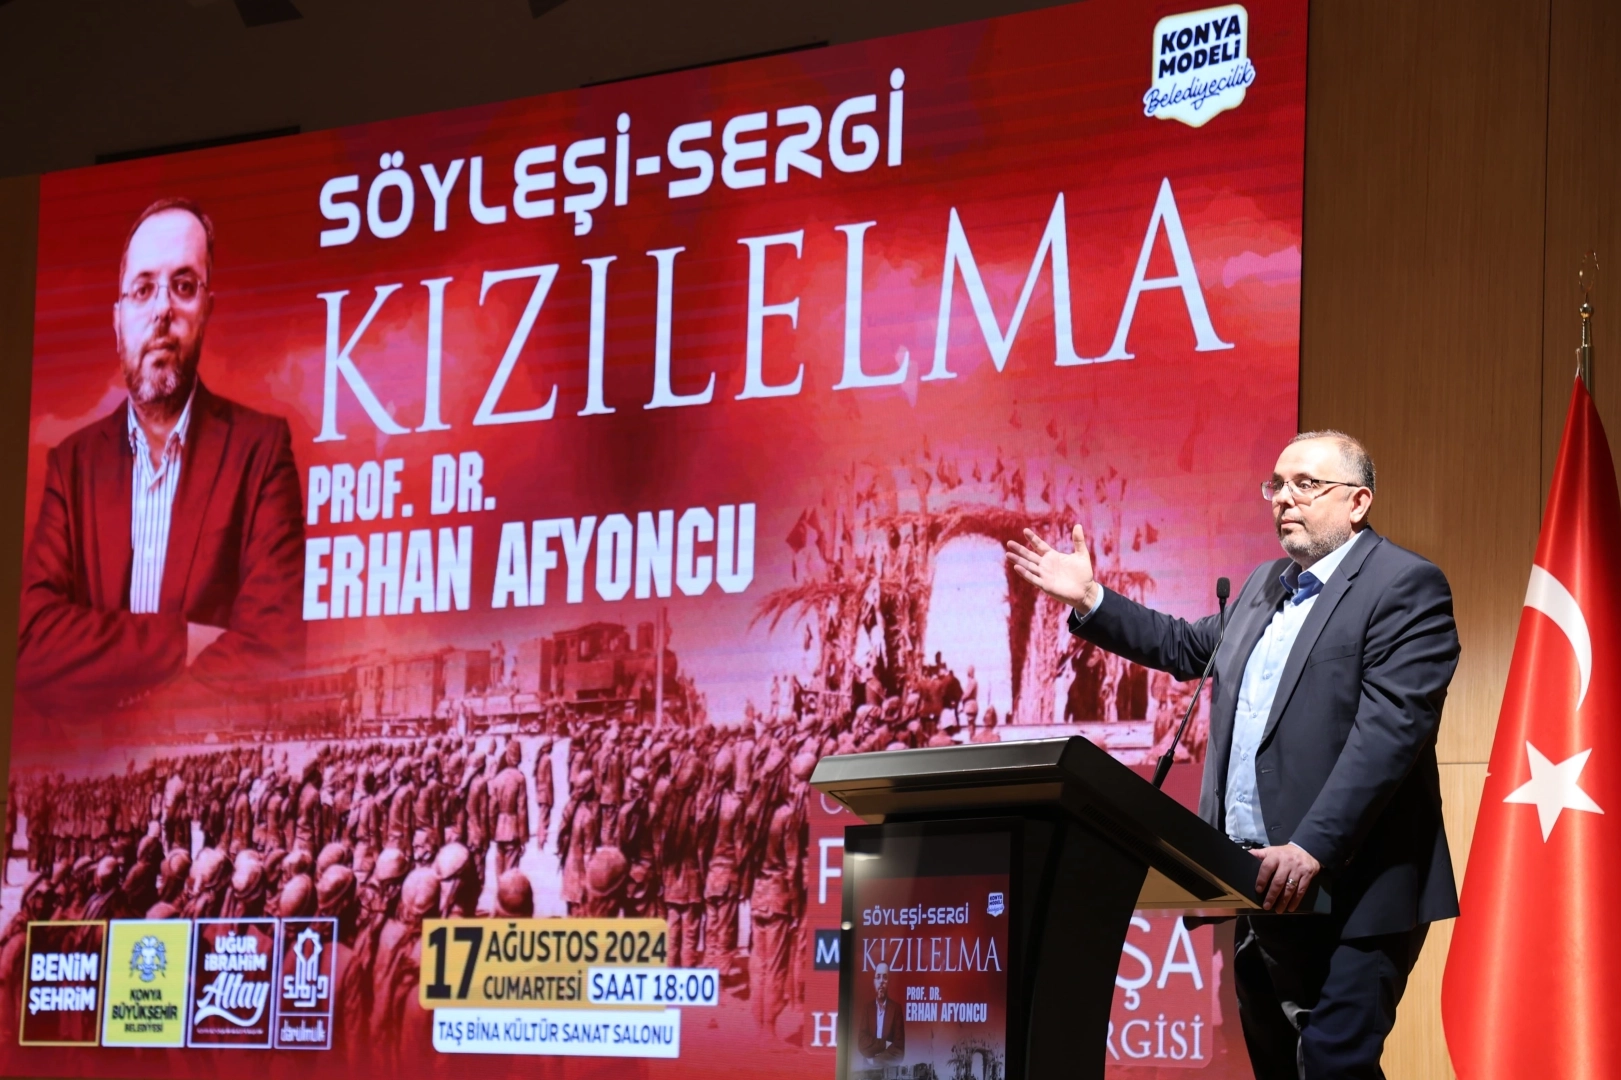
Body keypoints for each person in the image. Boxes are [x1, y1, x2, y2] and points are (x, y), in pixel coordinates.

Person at [1006, 431, 1459, 1080]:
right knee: (1276, 1064)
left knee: (1333, 1063)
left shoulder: (1404, 585)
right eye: (1276, 485)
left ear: (1358, 502)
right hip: (1254, 884)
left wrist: (1312, 846)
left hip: (1353, 883)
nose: (1284, 499)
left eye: (1307, 484)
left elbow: (1390, 732)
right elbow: (1185, 647)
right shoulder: (1263, 586)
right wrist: (1089, 599)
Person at [17, 197, 305, 716]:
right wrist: (180, 642)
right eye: (144, 289)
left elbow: (272, 653)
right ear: (118, 319)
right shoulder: (71, 466)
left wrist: (131, 723)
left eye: (184, 286)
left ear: (207, 310)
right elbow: (33, 643)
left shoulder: (261, 452)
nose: (162, 310)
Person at [855, 963, 905, 1065]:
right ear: (874, 981)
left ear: (889, 982)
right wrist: (884, 1044)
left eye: (885, 977)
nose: (881, 981)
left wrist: (874, 1061)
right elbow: (862, 1043)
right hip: (867, 1071)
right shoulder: (867, 1009)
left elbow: (899, 1051)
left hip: (886, 1070)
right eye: (878, 977)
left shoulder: (896, 1009)